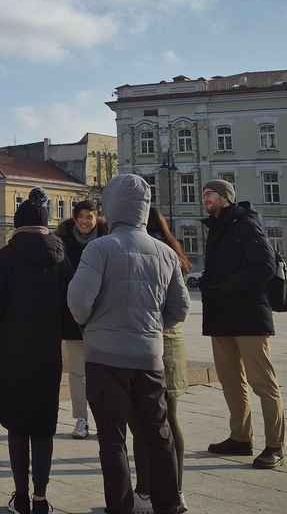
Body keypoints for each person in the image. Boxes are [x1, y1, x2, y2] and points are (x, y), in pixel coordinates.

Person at [67, 174, 188, 514]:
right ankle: (169, 503)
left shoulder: (100, 248)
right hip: (149, 358)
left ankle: (119, 506)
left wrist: (89, 325)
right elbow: (180, 308)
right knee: (157, 432)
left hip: (106, 359)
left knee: (112, 438)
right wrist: (152, 329)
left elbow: (78, 300)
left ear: (113, 205)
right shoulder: (165, 253)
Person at [0, 190, 73, 514]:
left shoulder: (6, 257)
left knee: (17, 426)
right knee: (44, 425)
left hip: (12, 354)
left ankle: (20, 496)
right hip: (48, 353)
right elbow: (71, 306)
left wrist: (5, 329)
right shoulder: (62, 257)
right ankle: (41, 497)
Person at [199, 178, 286, 471]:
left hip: (249, 316)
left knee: (263, 383)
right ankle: (240, 437)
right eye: (204, 195)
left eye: (209, 194)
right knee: (231, 382)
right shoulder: (216, 227)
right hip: (221, 316)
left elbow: (265, 265)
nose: (205, 199)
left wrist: (226, 287)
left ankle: (275, 445)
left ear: (225, 197)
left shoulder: (247, 223)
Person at [136, 206, 193, 507]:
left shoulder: (143, 250)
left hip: (148, 343)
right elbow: (181, 307)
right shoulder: (172, 249)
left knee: (143, 423)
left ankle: (144, 490)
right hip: (172, 343)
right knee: (169, 420)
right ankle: (177, 490)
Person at [57, 198, 109, 439]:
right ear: (74, 218)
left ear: (96, 216)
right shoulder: (63, 243)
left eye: (90, 217)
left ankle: (106, 418)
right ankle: (81, 419)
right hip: (72, 315)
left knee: (104, 370)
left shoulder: (109, 239)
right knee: (77, 371)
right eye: (81, 217)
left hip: (103, 315)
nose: (85, 222)